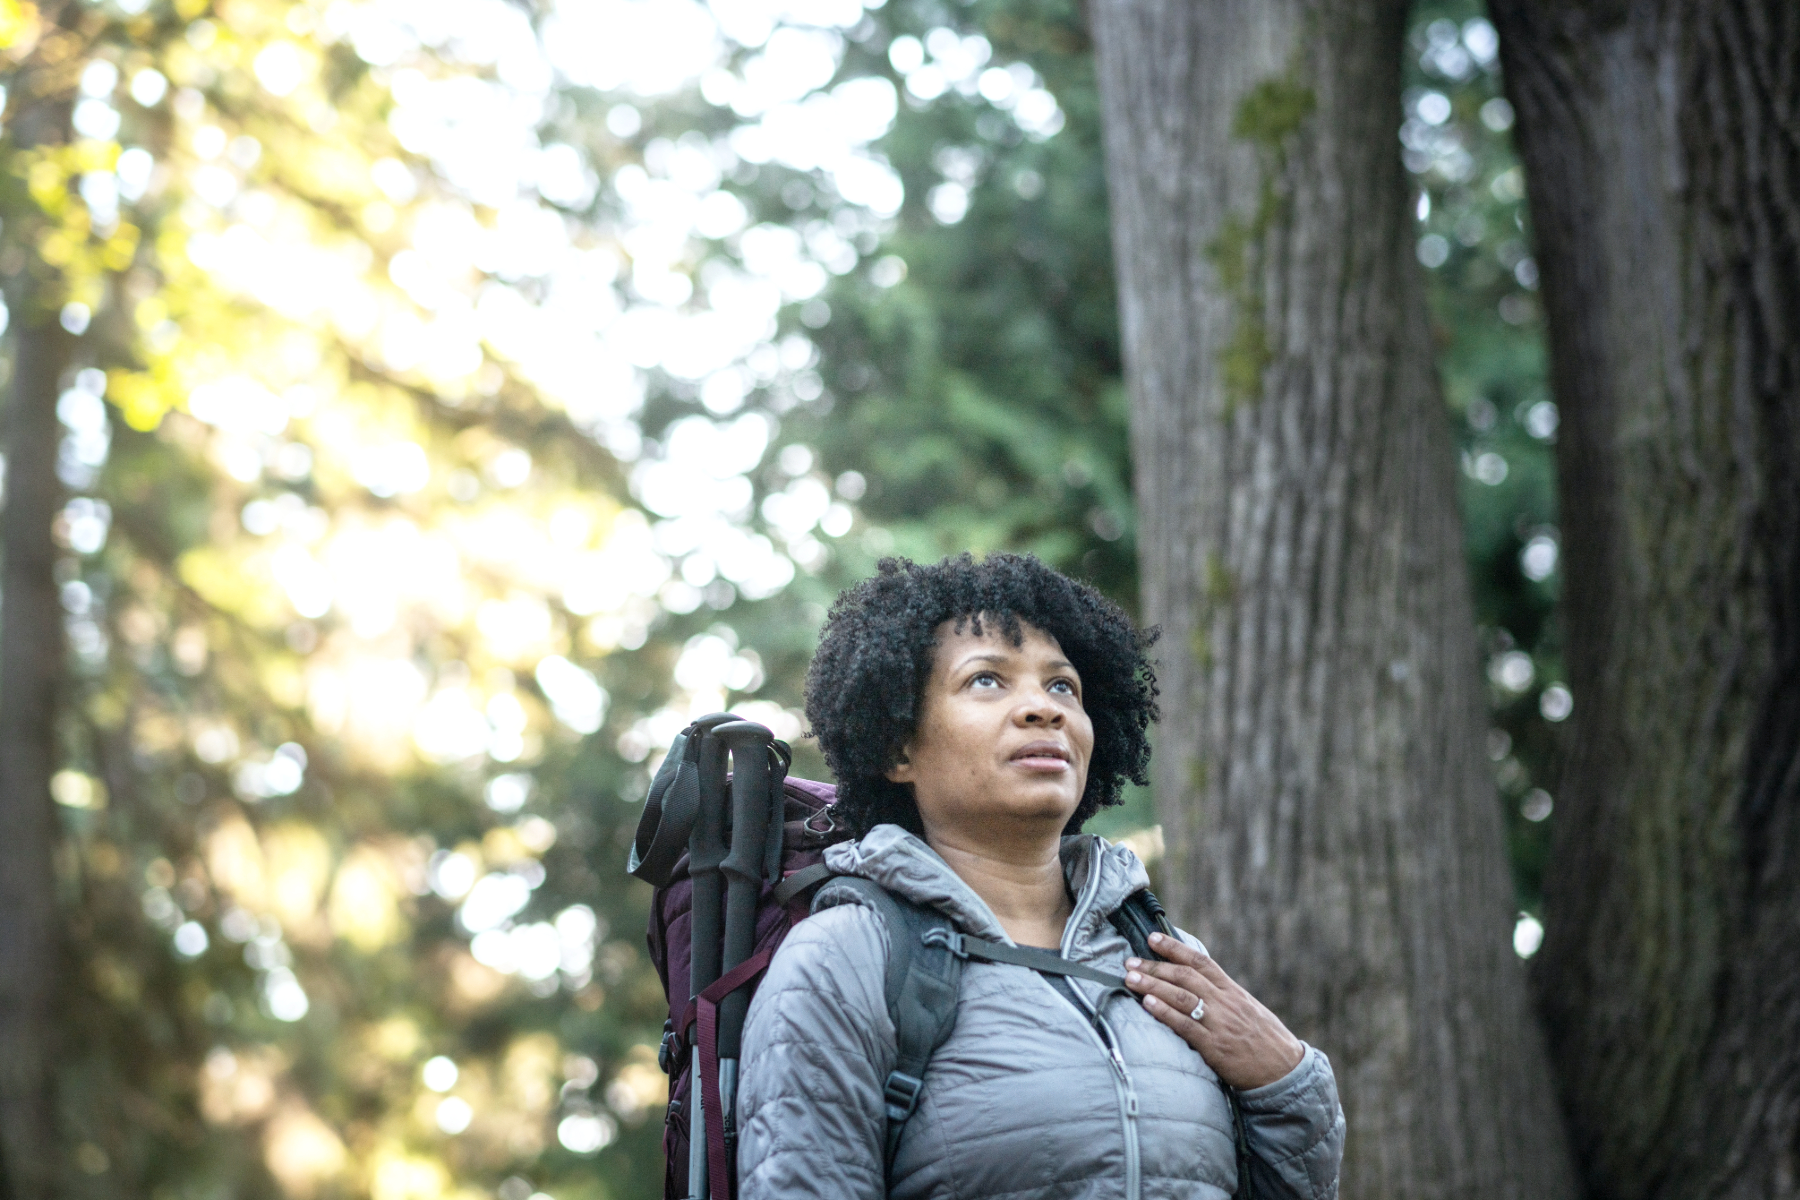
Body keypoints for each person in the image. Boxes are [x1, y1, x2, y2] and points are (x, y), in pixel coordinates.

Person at [735, 553, 1345, 1200]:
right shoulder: (847, 959)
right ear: (898, 748)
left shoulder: (1165, 958)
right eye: (987, 681)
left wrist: (1289, 1085)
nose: (1042, 709)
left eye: (1062, 688)